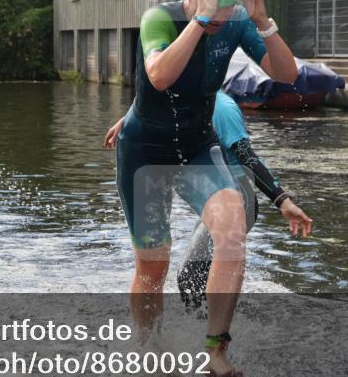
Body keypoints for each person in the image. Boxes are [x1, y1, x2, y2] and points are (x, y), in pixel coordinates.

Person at [116, 0, 299, 377]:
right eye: (213, 2)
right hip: (145, 154)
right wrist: (200, 20)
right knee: (154, 264)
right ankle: (147, 350)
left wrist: (262, 23)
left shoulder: (235, 22)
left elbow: (286, 74)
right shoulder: (158, 18)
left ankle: (215, 350)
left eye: (227, 5)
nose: (221, 15)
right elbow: (159, 75)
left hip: (196, 147)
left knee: (232, 228)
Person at [105, 90, 313, 306]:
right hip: (213, 195)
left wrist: (282, 200)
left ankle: (212, 333)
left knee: (190, 275)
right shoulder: (179, 102)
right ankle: (212, 323)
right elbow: (157, 113)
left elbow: (246, 155)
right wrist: (127, 122)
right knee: (193, 277)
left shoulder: (222, 108)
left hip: (238, 198)